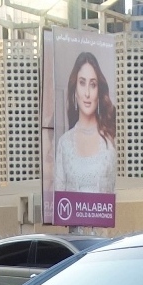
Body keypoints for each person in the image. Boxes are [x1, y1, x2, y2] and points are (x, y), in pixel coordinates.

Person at [52, 51, 117, 196]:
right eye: (82, 83)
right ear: (75, 90)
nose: (87, 93)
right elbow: (59, 199)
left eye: (92, 85)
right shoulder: (64, 144)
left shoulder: (110, 141)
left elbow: (115, 193)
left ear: (98, 91)